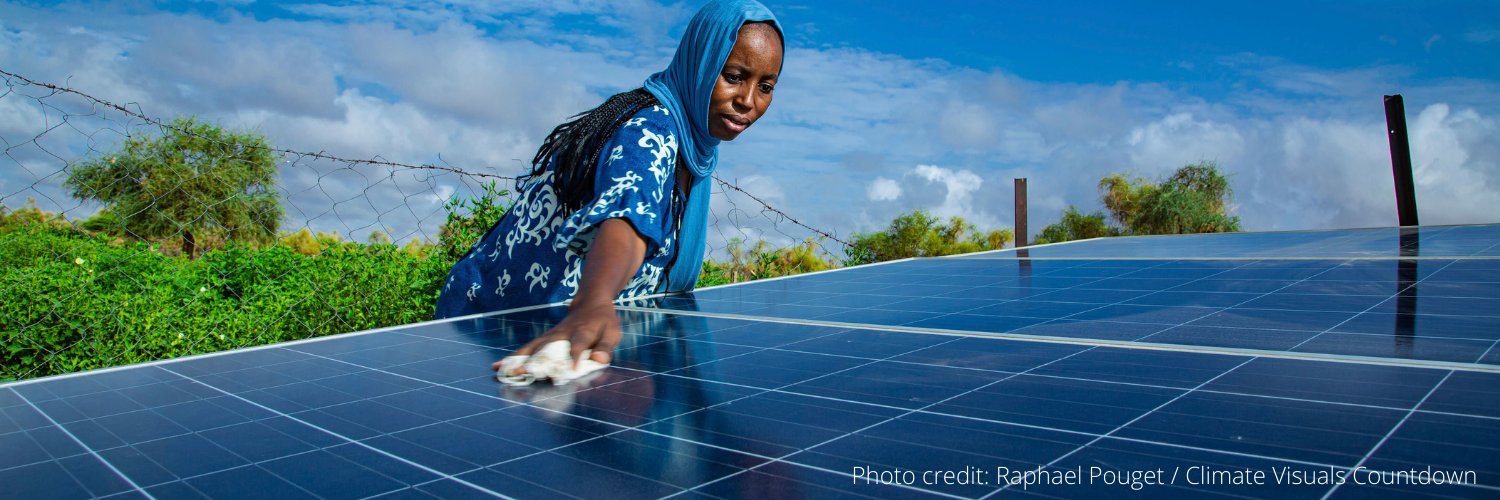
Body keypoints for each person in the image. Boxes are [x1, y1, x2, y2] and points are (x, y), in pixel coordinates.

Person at [432, 0, 784, 372]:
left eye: (765, 86)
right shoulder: (650, 131)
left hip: (559, 331)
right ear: (701, 62)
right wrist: (596, 298)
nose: (748, 100)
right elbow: (628, 219)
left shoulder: (694, 147)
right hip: (486, 325)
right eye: (733, 76)